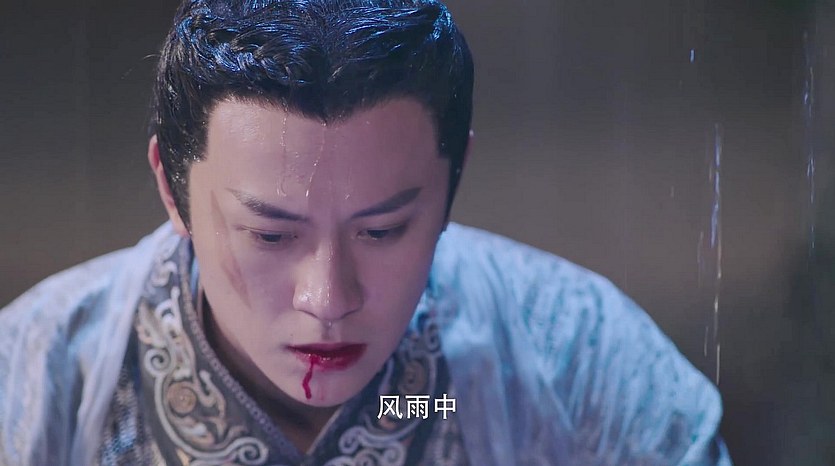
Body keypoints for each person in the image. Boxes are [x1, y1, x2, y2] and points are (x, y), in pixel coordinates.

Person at [0, 0, 732, 464]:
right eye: (270, 234)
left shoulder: (581, 363)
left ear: (453, 180)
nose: (327, 299)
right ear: (171, 186)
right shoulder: (35, 378)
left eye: (382, 230)